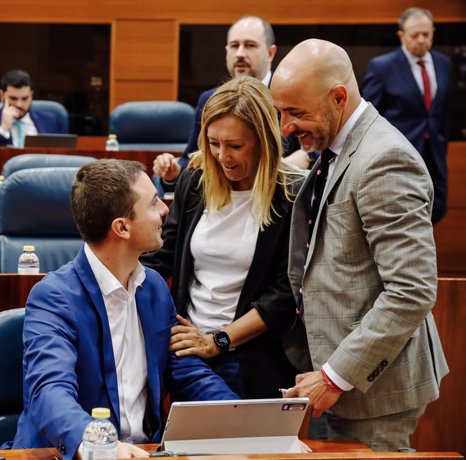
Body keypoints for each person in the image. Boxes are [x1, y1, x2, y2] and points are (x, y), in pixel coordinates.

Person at [270, 39, 448, 451]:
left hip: (372, 389)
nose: (285, 128)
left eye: (296, 113)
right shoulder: (337, 147)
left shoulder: (385, 160)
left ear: (338, 97)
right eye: (281, 112)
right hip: (331, 375)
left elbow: (412, 290)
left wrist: (335, 374)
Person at [9, 159, 239, 460]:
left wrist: (246, 421)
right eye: (154, 202)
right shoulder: (54, 297)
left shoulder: (154, 287)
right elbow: (49, 391)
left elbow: (187, 371)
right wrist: (100, 444)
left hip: (145, 452)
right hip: (67, 454)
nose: (165, 210)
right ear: (122, 227)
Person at [142, 76, 303, 398]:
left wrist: (219, 340)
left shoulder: (293, 194)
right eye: (213, 143)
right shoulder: (196, 180)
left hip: (252, 356)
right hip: (189, 350)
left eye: (234, 146)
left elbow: (285, 294)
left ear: (262, 140)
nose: (221, 156)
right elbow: (163, 255)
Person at [153, 16, 308, 191]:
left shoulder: (289, 96)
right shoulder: (210, 99)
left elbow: (322, 143)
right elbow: (192, 159)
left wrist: (307, 155)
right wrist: (173, 172)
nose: (240, 54)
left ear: (270, 53)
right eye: (234, 46)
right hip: (225, 195)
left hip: (282, 196)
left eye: (250, 45)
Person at [362, 8, 452, 224]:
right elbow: (369, 118)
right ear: (401, 35)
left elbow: (443, 112)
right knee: (403, 216)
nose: (421, 40)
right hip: (399, 156)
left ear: (433, 32)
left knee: (436, 210)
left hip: (435, 156)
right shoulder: (382, 67)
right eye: (414, 35)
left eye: (426, 34)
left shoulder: (443, 63)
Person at [0, 69, 62, 147]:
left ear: (31, 95)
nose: (19, 104)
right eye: (13, 98)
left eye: (25, 98)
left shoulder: (50, 121)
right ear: (2, 95)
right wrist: (3, 129)